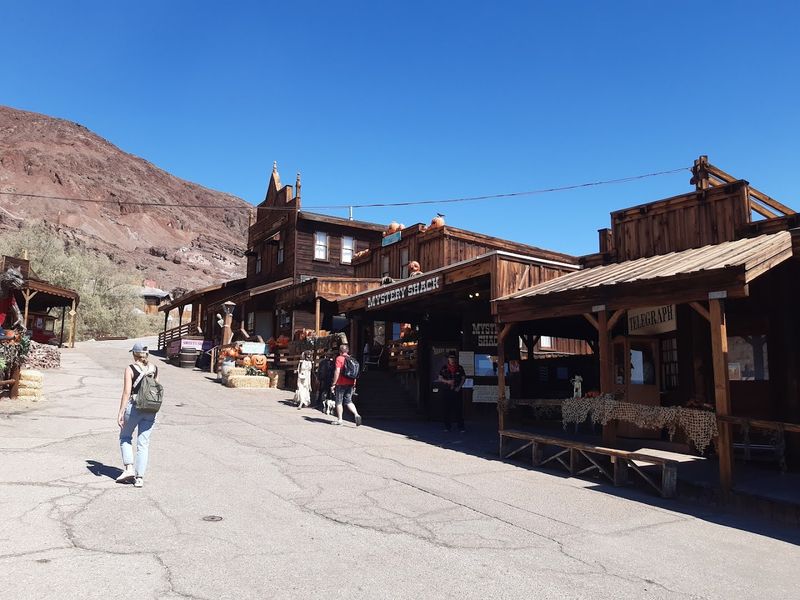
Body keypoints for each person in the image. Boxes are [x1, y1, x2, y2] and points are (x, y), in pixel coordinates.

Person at [116, 342, 159, 488]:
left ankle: (129, 469)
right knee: (143, 443)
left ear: (134, 354)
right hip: (151, 409)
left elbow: (127, 392)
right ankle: (139, 477)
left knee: (125, 436)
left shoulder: (130, 369)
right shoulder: (154, 369)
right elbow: (155, 389)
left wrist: (121, 412)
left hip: (134, 407)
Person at [329, 343, 362, 426]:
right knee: (348, 401)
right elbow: (355, 373)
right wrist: (354, 383)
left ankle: (340, 420)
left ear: (340, 351)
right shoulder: (351, 359)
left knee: (339, 401)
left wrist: (334, 383)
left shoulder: (339, 358)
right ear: (347, 351)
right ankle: (356, 414)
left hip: (341, 383)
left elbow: (337, 371)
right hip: (350, 383)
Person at [437, 351, 466, 432]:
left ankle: (461, 427)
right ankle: (447, 426)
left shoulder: (459, 367)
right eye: (451, 358)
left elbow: (463, 378)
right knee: (446, 409)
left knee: (458, 409)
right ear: (448, 359)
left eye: (453, 358)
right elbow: (440, 378)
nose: (452, 360)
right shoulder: (444, 368)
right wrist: (447, 381)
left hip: (457, 390)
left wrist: (459, 387)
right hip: (447, 390)